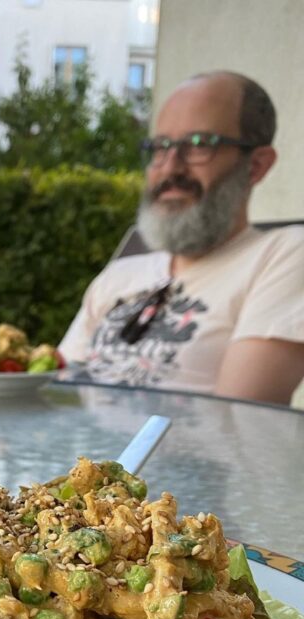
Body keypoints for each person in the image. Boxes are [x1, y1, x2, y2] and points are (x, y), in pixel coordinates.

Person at [59, 71, 304, 405]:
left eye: (200, 144)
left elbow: (237, 428)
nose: (170, 167)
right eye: (160, 148)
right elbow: (53, 391)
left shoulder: (283, 256)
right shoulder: (120, 276)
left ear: (256, 165)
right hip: (74, 455)